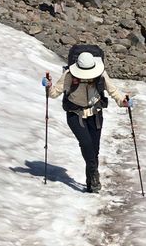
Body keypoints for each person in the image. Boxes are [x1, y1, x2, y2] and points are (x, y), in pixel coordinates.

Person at [43, 50, 129, 193]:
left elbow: (113, 91)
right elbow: (53, 93)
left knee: (94, 150)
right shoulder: (69, 75)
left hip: (95, 114)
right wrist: (49, 85)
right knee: (86, 144)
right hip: (75, 114)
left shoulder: (101, 74)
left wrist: (123, 102)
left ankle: (91, 183)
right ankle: (94, 175)